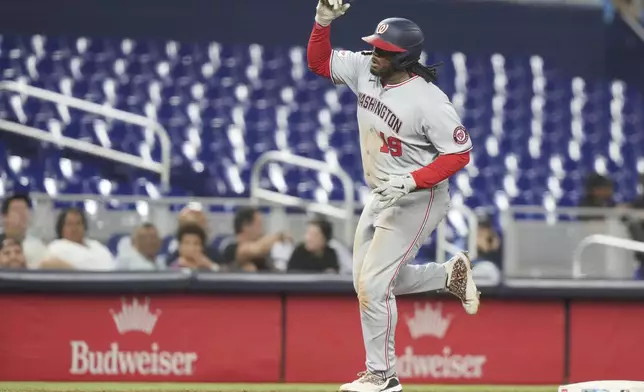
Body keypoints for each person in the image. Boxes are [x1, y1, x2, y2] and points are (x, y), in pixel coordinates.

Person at [307, 3, 480, 391]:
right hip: (383, 194)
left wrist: (412, 181)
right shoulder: (365, 70)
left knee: (373, 286)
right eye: (375, 45)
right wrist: (323, 22)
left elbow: (459, 153)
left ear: (403, 56)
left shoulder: (429, 100)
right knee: (369, 283)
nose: (375, 53)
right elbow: (319, 63)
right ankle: (448, 274)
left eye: (384, 49)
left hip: (421, 198)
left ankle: (383, 376)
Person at [39, 207, 116, 271]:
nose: (74, 228)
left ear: (84, 227)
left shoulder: (96, 245)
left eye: (78, 223)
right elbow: (45, 265)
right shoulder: (57, 246)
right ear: (61, 228)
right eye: (69, 224)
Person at [222, 207, 290, 272]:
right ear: (245, 225)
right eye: (259, 224)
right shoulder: (231, 249)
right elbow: (250, 250)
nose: (262, 230)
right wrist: (280, 236)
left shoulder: (264, 255)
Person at [0, 194, 47, 268]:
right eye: (17, 210)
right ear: (4, 217)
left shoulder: (38, 248)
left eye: (25, 209)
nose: (22, 214)